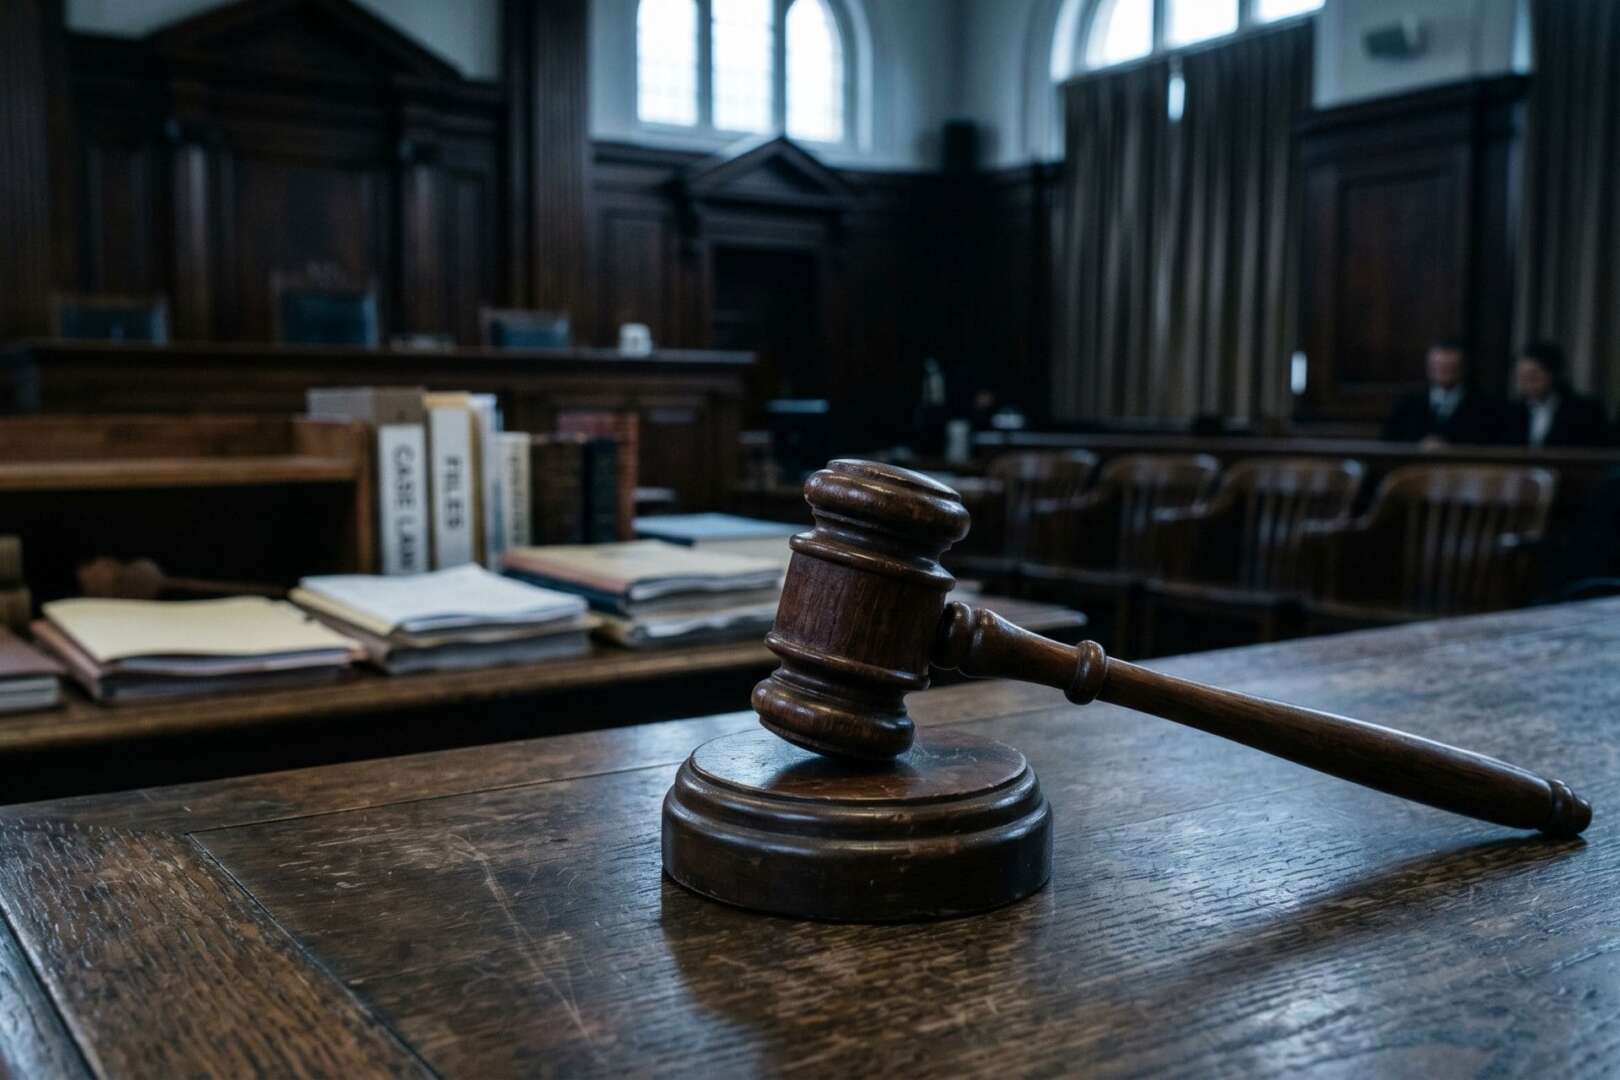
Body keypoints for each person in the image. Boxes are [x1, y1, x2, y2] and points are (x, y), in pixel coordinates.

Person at [1382, 341, 1503, 446]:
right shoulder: (1409, 401)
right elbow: (1389, 439)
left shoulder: (1484, 404)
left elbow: (1489, 442)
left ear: (1463, 368)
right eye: (1437, 367)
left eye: (1449, 367)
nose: (1443, 372)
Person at [1506, 341, 1611, 448]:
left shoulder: (1585, 411)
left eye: (1534, 376)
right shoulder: (1512, 412)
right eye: (1522, 377)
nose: (1528, 383)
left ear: (1553, 374)